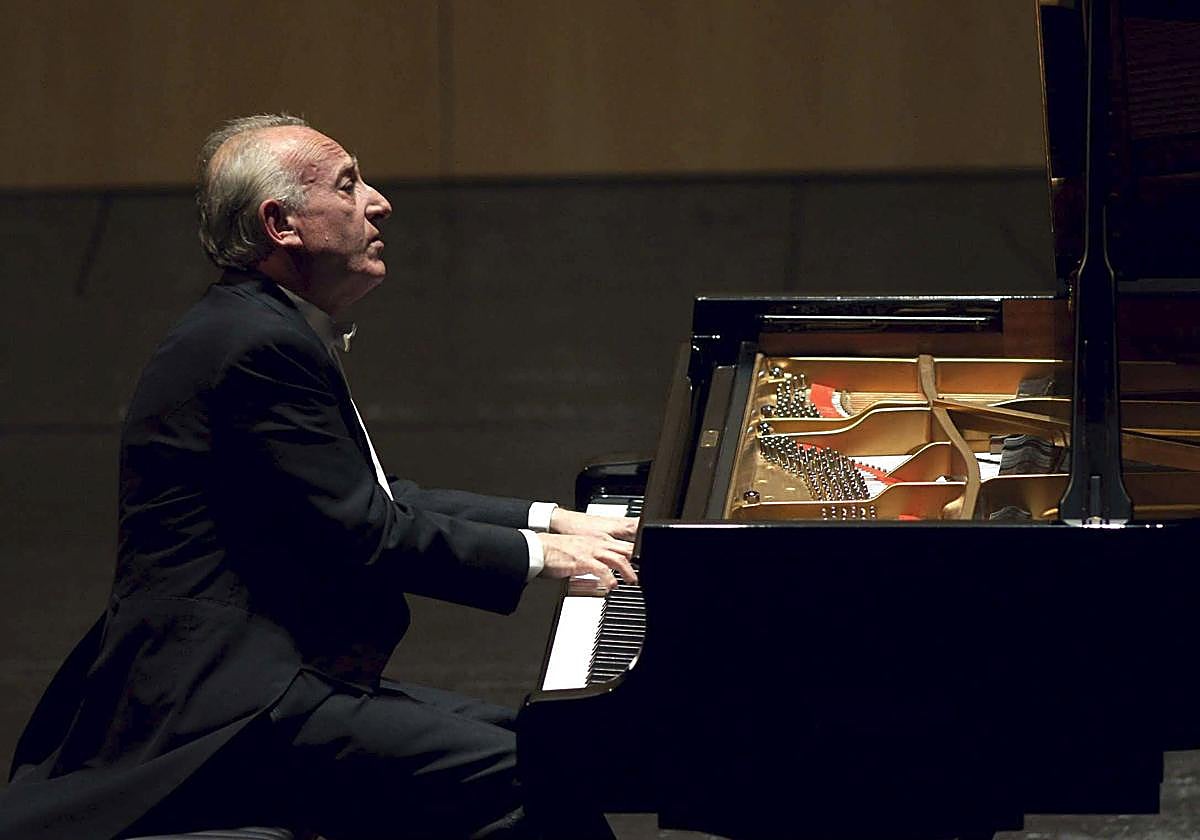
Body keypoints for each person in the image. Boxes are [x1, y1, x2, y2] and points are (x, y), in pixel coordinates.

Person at [1, 114, 637, 840]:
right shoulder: (254, 345)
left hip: (273, 677)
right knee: (539, 774)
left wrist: (554, 520)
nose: (378, 201)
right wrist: (544, 560)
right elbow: (366, 529)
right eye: (348, 184)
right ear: (282, 224)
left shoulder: (256, 324)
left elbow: (378, 499)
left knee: (550, 754)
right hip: (231, 703)